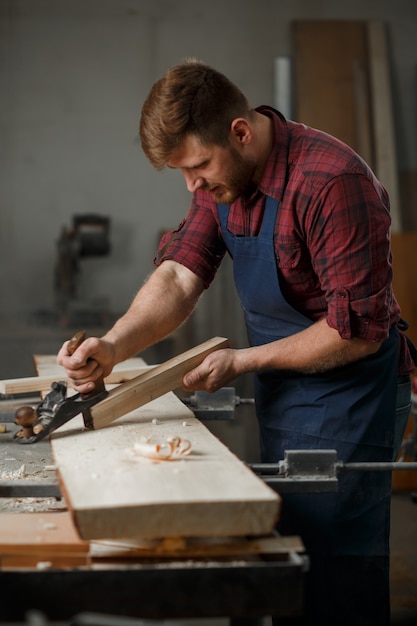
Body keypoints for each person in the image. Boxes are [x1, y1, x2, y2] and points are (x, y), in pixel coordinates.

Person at [57, 60, 414, 626]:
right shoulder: (222, 180)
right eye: (182, 173)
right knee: (289, 557)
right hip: (288, 388)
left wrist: (243, 360)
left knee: (336, 571)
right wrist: (114, 344)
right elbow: (180, 274)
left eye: (198, 166)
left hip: (352, 393)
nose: (194, 185)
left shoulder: (331, 182)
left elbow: (358, 333)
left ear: (240, 133)